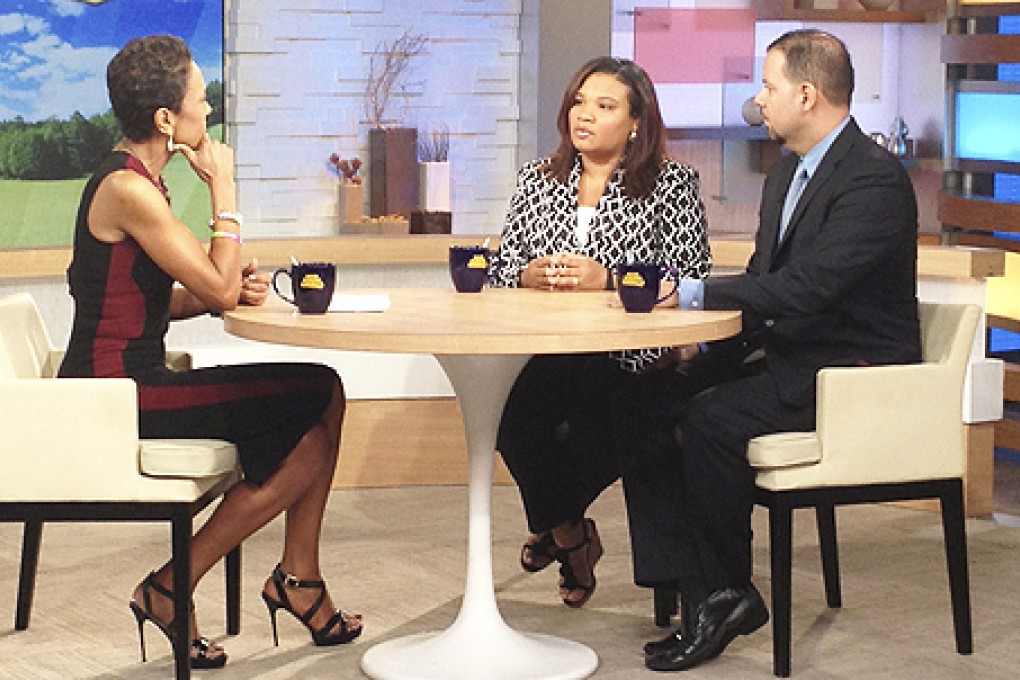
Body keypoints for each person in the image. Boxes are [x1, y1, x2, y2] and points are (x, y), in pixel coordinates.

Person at [57, 35, 362, 669]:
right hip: (113, 394)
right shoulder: (127, 189)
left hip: (127, 380)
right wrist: (225, 192)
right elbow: (218, 284)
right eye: (202, 99)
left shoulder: (137, 183)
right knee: (318, 394)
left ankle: (292, 576)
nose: (210, 113)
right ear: (167, 119)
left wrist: (220, 291)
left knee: (317, 406)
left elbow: (157, 297)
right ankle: (183, 584)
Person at [635, 30, 921, 672]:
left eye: (767, 86)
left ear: (806, 93)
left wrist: (689, 294)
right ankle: (692, 585)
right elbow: (769, 283)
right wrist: (699, 350)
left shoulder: (872, 181)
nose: (758, 100)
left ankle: (728, 593)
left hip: (851, 371)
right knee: (648, 399)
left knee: (712, 420)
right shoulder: (788, 170)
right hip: (790, 352)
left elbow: (806, 286)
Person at [489, 56, 711, 608]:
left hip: (629, 355)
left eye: (604, 106)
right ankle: (571, 534)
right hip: (547, 352)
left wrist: (607, 278)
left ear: (636, 123)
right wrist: (524, 273)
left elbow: (691, 277)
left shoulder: (671, 185)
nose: (583, 115)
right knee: (505, 414)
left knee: (597, 424)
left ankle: (557, 530)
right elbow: (498, 268)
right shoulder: (538, 179)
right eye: (579, 102)